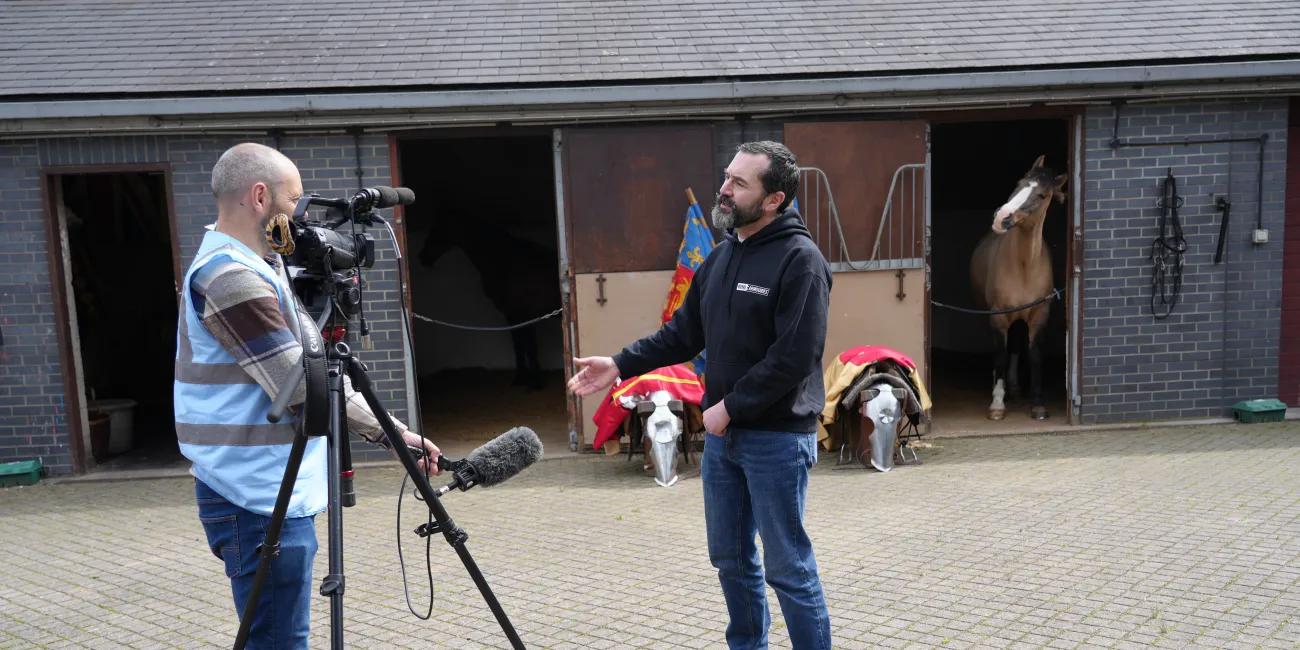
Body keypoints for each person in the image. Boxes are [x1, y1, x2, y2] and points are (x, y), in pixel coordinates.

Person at [568, 141, 833, 649]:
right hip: (725, 443)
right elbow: (682, 334)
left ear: (774, 199)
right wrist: (619, 364)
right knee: (731, 561)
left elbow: (793, 358)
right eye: (726, 177)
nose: (725, 188)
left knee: (788, 569)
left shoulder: (801, 261)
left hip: (776, 441)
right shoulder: (720, 257)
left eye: (739, 182)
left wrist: (728, 408)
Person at [174, 142, 440, 647]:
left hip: (271, 486)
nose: (298, 215)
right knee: (279, 641)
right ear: (258, 196)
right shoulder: (230, 278)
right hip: (255, 497)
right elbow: (302, 387)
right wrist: (394, 434)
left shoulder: (260, 266)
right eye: (292, 200)